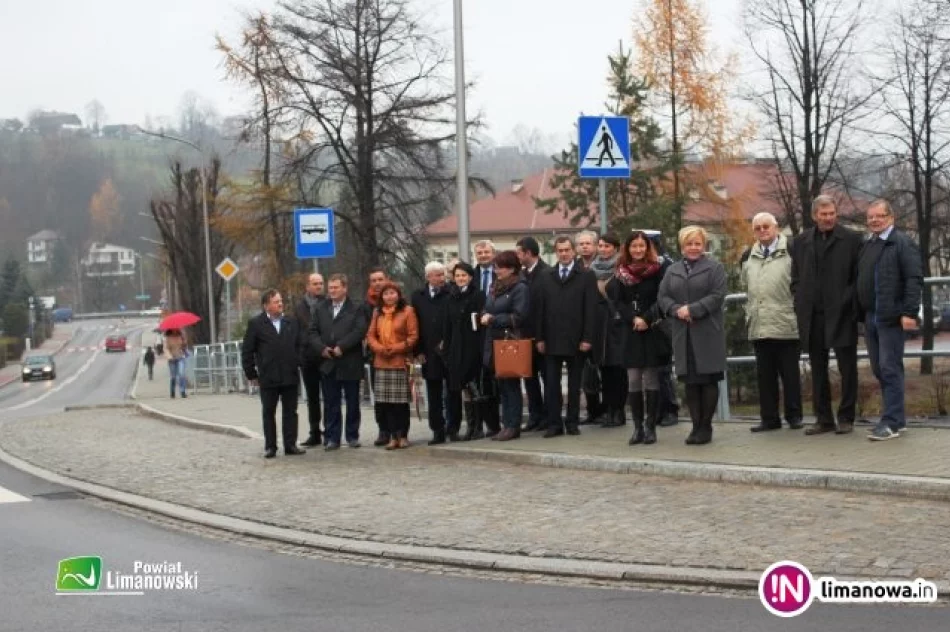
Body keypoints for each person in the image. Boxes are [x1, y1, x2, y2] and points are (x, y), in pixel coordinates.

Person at [790, 195, 863, 435]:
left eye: (832, 213)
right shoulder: (800, 242)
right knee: (818, 369)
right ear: (814, 216)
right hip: (812, 315)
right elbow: (796, 277)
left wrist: (847, 300)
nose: (828, 218)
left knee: (847, 368)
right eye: (823, 214)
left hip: (842, 313)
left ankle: (846, 417)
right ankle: (824, 418)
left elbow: (857, 278)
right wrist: (800, 296)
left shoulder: (852, 239)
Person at [857, 200, 922, 441]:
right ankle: (896, 419)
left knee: (889, 368)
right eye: (871, 217)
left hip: (892, 318)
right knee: (879, 368)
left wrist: (909, 313)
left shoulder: (901, 243)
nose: (874, 220)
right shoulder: (869, 244)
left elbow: (914, 279)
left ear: (891, 218)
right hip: (871, 316)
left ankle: (892, 422)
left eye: (880, 216)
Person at [658, 226, 727, 446]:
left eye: (697, 243)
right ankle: (695, 425)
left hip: (707, 331)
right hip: (683, 333)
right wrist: (676, 309)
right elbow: (663, 296)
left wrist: (693, 309)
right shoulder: (673, 270)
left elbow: (717, 296)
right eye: (689, 244)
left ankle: (706, 426)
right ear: (682, 246)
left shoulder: (714, 268)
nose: (694, 248)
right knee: (690, 382)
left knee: (707, 381)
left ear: (704, 245)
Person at [741, 213, 803, 433]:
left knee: (790, 374)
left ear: (776, 227)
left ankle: (794, 416)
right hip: (759, 324)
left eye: (766, 226)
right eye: (757, 228)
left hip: (786, 322)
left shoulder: (792, 251)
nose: (762, 230)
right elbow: (745, 286)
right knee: (764, 376)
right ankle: (769, 418)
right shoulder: (748, 255)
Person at [607, 231, 671, 445]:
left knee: (652, 378)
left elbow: (662, 297)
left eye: (641, 246)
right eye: (634, 246)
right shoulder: (620, 272)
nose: (638, 250)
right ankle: (637, 428)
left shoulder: (659, 269)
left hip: (652, 328)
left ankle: (651, 426)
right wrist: (632, 318)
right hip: (630, 330)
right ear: (628, 248)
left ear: (647, 247)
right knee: (633, 379)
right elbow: (616, 300)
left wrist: (646, 317)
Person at [536, 235, 598, 437]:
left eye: (567, 250)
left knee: (574, 385)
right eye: (560, 250)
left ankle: (572, 422)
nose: (563, 254)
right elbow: (540, 309)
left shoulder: (586, 276)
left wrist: (588, 338)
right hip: (551, 339)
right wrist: (540, 338)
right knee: (552, 385)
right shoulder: (546, 275)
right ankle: (554, 424)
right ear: (556, 252)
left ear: (574, 251)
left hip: (576, 340)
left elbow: (591, 309)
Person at [241, 290, 307, 458]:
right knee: (268, 412)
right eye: (276, 301)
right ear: (266, 305)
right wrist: (251, 374)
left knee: (290, 412)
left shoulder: (291, 321)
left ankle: (290, 444)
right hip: (268, 376)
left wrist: (297, 360)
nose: (280, 304)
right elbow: (247, 351)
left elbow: (300, 344)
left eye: (281, 300)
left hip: (289, 374)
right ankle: (270, 446)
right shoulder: (256, 324)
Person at [310, 274, 369, 450]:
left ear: (345, 288)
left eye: (336, 287)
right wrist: (321, 348)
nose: (332, 291)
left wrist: (342, 346)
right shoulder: (321, 308)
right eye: (330, 288)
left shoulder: (356, 308)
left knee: (352, 401)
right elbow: (312, 332)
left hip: (350, 360)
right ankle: (332, 437)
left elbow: (359, 330)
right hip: (329, 362)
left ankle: (352, 435)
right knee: (330, 402)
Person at [480, 251, 530, 441]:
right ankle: (506, 424)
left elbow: (519, 316)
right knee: (502, 386)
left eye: (500, 267)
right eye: (495, 267)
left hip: (509, 341)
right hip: (494, 340)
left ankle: (513, 425)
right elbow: (488, 306)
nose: (496, 270)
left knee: (511, 385)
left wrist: (493, 319)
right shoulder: (495, 286)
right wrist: (484, 314)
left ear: (511, 269)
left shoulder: (520, 288)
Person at [366, 282, 419, 449]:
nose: (389, 296)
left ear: (398, 294)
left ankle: (402, 435)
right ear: (381, 297)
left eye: (392, 293)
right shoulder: (377, 313)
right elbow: (371, 335)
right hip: (382, 362)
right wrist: (379, 348)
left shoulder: (407, 311)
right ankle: (392, 436)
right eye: (386, 294)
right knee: (386, 403)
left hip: (400, 361)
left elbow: (413, 336)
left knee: (400, 403)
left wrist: (395, 348)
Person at [442, 262, 486, 440]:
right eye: (457, 275)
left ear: (470, 277)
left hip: (472, 346)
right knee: (458, 387)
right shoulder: (450, 297)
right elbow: (447, 325)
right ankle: (464, 425)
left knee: (473, 386)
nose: (460, 278)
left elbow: (480, 323)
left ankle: (477, 426)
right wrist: (447, 348)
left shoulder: (478, 295)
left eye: (464, 275)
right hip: (455, 348)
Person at [411, 262, 453, 444]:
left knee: (452, 390)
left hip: (449, 349)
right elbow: (415, 325)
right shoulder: (418, 296)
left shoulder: (451, 293)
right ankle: (437, 429)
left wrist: (448, 340)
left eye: (442, 274)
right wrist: (418, 350)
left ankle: (453, 427)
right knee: (433, 392)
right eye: (436, 275)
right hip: (428, 350)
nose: (441, 278)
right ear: (428, 277)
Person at [590, 233, 627, 428]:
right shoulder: (592, 270)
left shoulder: (621, 270)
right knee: (604, 370)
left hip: (617, 326)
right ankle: (609, 410)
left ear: (615, 248)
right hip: (599, 327)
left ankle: (619, 411)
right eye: (601, 246)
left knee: (618, 370)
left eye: (607, 246)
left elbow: (626, 297)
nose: (603, 250)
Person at [516, 236, 549, 432]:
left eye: (519, 252)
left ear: (528, 253)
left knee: (547, 378)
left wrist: (541, 336)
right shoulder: (521, 275)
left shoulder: (545, 272)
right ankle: (535, 415)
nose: (518, 256)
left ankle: (548, 415)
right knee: (529, 378)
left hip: (541, 335)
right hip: (524, 335)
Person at [295, 273, 326, 447]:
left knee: (329, 396)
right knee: (312, 398)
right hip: (307, 358)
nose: (318, 286)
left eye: (321, 283)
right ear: (307, 286)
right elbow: (296, 331)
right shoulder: (299, 307)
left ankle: (330, 431)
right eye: (315, 283)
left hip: (325, 356)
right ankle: (315, 432)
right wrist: (298, 354)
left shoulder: (327, 303)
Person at [363, 267, 389, 443]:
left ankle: (399, 430)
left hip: (396, 354)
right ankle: (383, 430)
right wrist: (377, 347)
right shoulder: (365, 306)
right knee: (379, 395)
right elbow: (364, 331)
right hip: (376, 355)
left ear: (386, 280)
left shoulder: (398, 301)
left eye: (380, 279)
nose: (378, 283)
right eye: (374, 280)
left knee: (397, 397)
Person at [164, 328, 188, 399]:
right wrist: (169, 356)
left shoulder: (180, 336)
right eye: (174, 329)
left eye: (176, 329)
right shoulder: (168, 338)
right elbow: (166, 348)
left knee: (181, 374)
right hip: (172, 359)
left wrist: (184, 339)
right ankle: (172, 391)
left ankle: (182, 391)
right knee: (173, 377)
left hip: (180, 357)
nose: (175, 330)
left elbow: (184, 346)